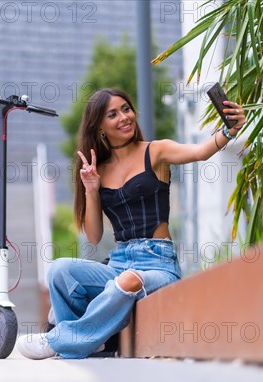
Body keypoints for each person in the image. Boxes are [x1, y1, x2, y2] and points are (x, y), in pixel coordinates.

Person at [16, 87, 246, 359]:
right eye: (112, 114)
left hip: (158, 263)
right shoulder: (97, 169)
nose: (124, 117)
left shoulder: (156, 152)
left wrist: (230, 130)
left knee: (126, 281)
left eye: (126, 109)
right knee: (59, 271)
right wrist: (91, 188)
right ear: (100, 126)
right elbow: (93, 236)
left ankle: (60, 341)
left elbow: (200, 151)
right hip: (118, 261)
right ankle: (94, 342)